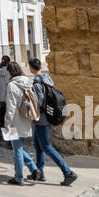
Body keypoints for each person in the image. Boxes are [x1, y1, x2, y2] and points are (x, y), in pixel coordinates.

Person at [27, 57, 77, 186]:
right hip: (46, 118)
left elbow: (38, 103)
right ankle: (39, 172)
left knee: (46, 147)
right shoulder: (47, 79)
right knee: (38, 146)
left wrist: (27, 103)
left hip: (41, 119)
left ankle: (68, 173)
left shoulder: (37, 84)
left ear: (31, 68)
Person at [1, 62, 42, 185]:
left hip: (15, 121)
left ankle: (19, 177)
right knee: (18, 147)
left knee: (17, 150)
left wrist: (7, 123)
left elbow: (11, 107)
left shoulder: (12, 86)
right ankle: (34, 169)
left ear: (10, 72)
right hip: (26, 118)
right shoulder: (26, 82)